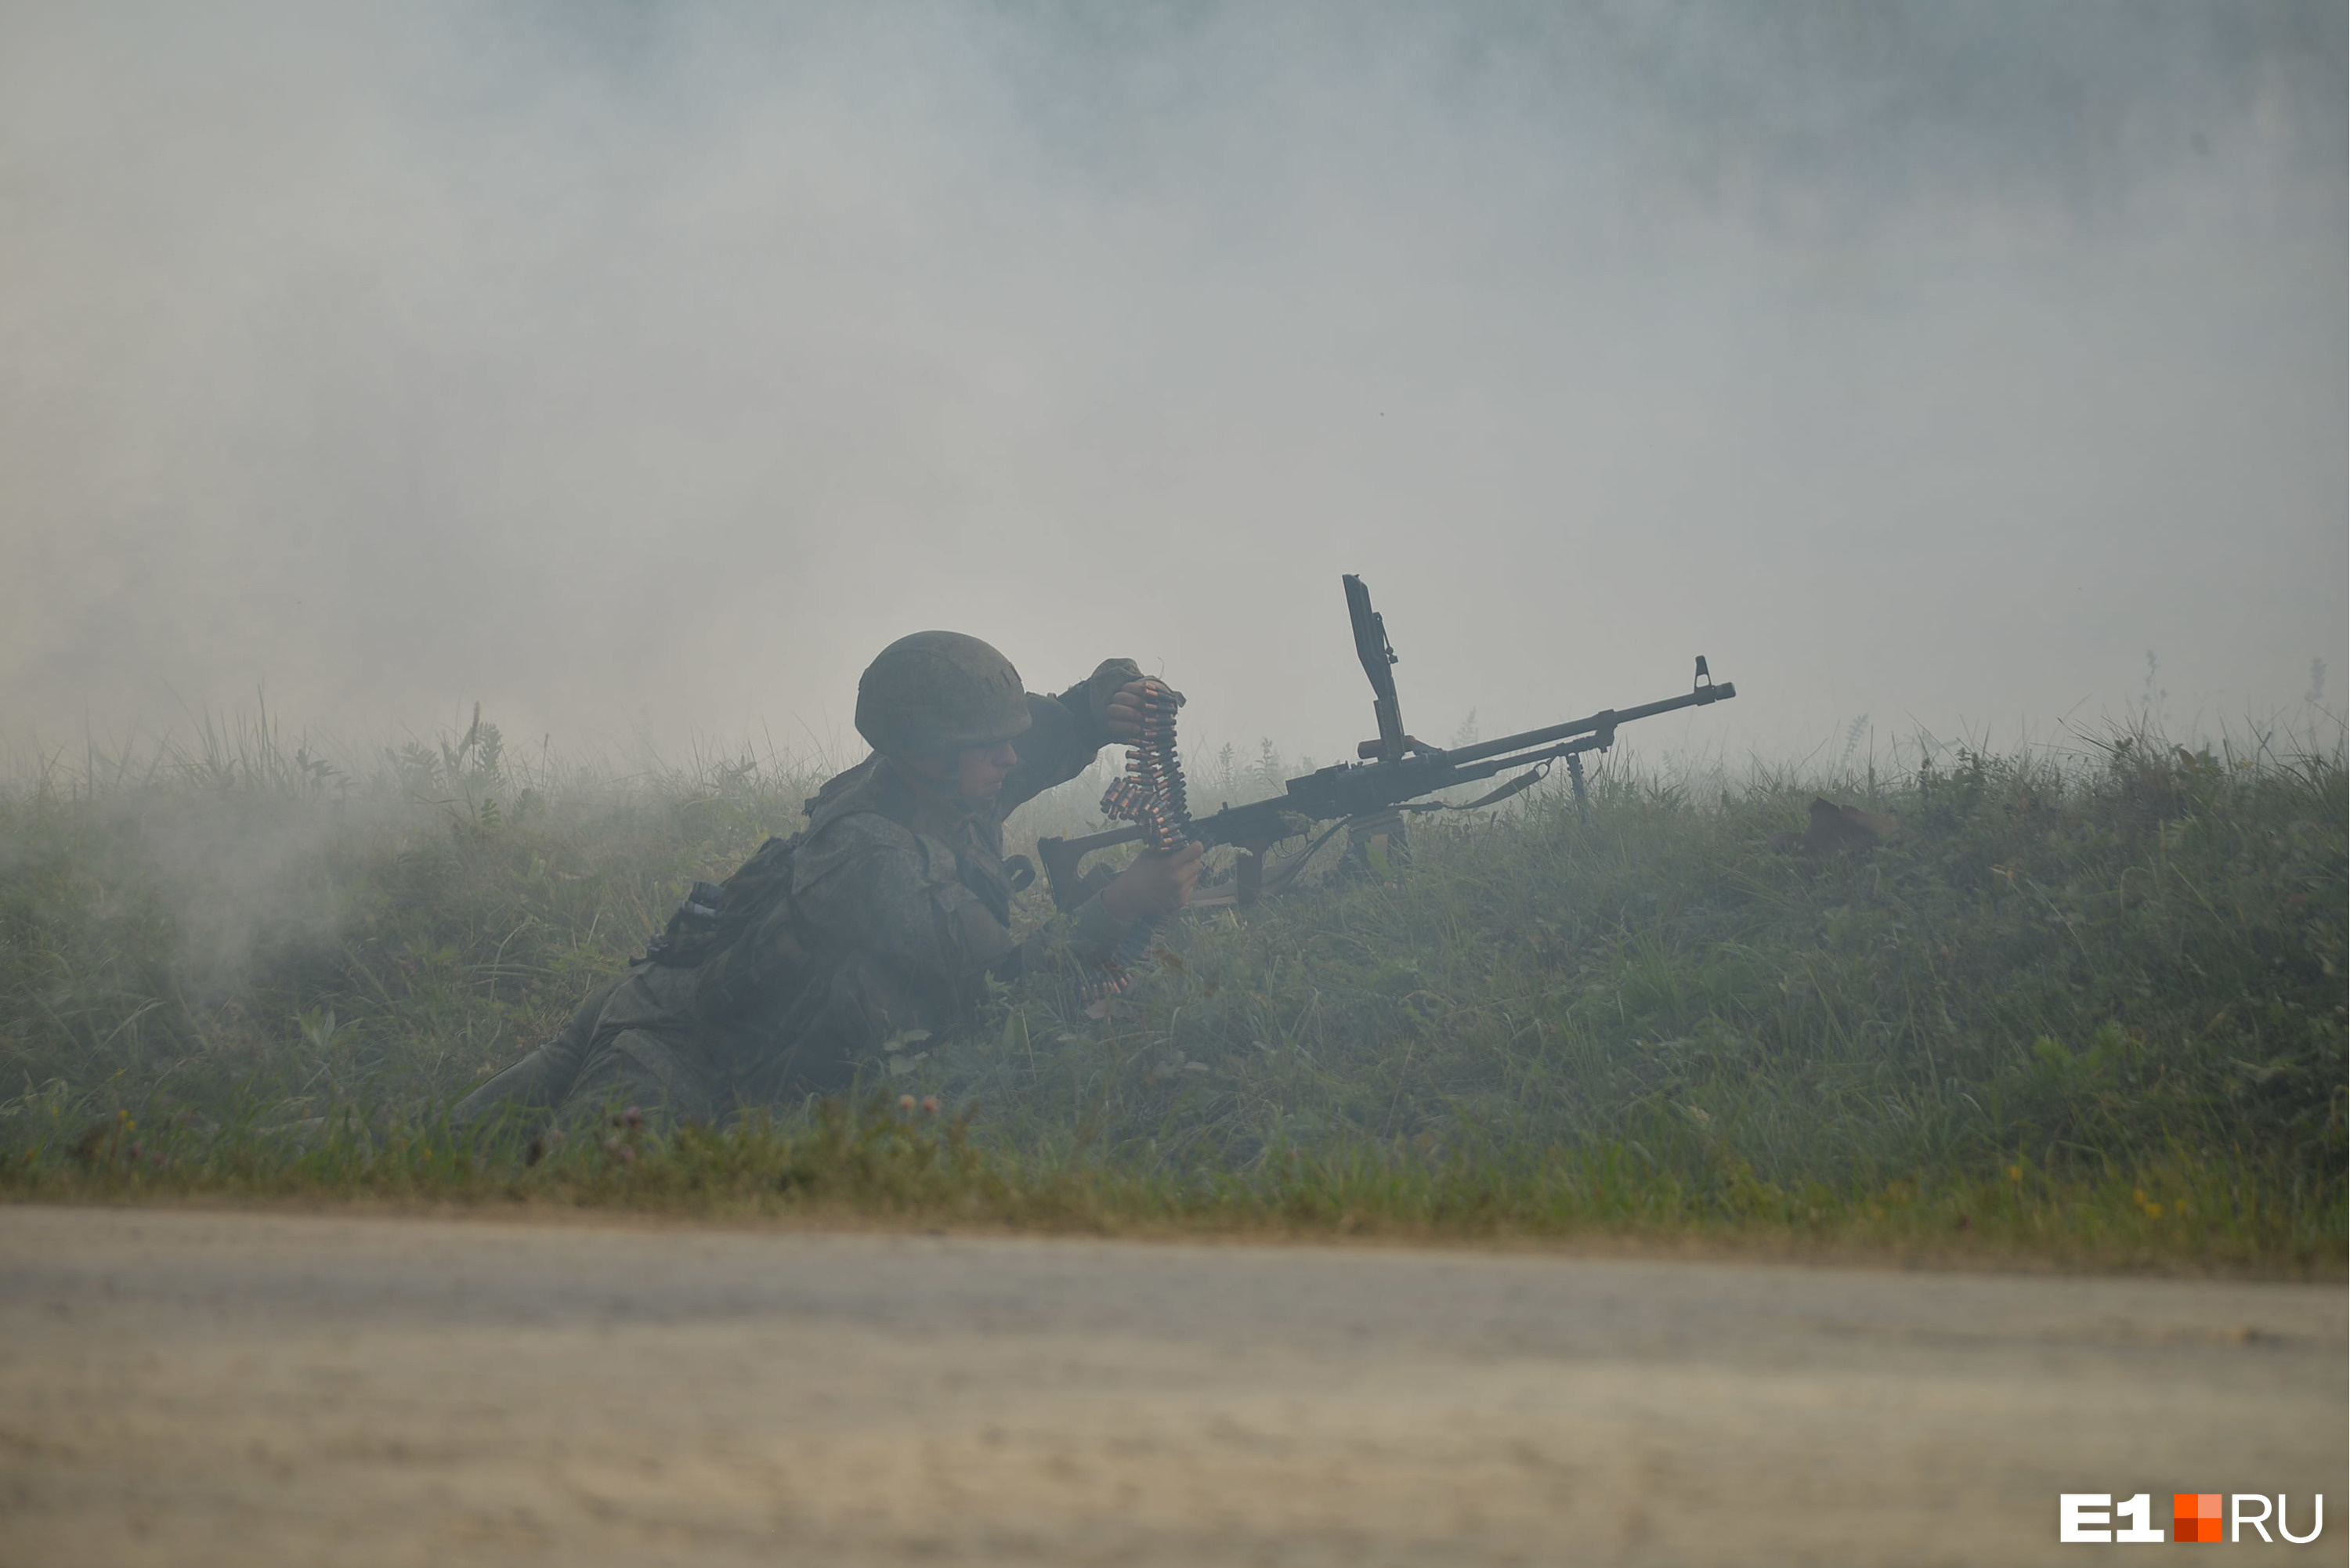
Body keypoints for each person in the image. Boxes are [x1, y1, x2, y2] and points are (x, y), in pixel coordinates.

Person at [450, 632, 1203, 1131]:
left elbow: (1061, 722)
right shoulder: (872, 856)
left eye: (1008, 742)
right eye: (992, 748)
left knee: (456, 1135)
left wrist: (1110, 697)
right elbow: (1004, 980)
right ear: (927, 753)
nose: (1013, 759)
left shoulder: (957, 774)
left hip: (660, 990)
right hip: (673, 1053)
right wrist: (1119, 905)